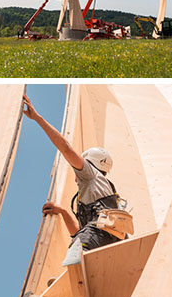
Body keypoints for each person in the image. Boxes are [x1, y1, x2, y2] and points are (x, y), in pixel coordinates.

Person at [22, 94, 128, 255]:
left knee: (76, 253)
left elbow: (66, 148)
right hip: (115, 242)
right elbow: (79, 231)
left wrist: (37, 118)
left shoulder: (90, 173)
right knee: (80, 248)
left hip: (100, 236)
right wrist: (63, 212)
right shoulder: (99, 191)